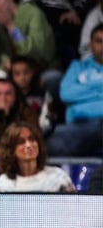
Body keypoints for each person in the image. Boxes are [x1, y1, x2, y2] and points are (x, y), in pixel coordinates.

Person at [46, 23, 103, 157]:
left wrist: (84, 90)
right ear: (91, 45)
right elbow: (66, 94)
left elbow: (73, 93)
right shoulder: (77, 67)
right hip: (80, 125)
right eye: (99, 41)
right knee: (54, 143)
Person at [0, 121, 76, 192]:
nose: (29, 145)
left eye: (32, 139)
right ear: (11, 150)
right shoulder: (3, 185)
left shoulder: (58, 178)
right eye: (21, 142)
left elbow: (73, 205)